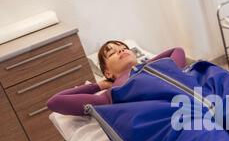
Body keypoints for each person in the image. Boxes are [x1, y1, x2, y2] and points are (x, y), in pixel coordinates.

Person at [47, 41, 187, 116]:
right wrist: (99, 86)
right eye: (112, 52)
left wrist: (143, 66)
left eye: (124, 48)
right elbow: (55, 102)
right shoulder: (113, 94)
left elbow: (177, 50)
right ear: (108, 73)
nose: (121, 50)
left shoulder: (161, 67)